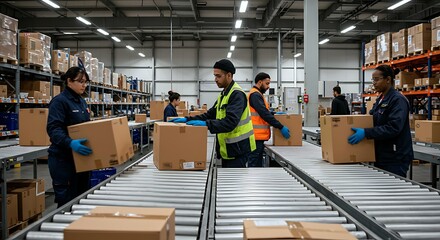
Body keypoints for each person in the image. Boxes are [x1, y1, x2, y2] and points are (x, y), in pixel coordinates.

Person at [170, 59, 256, 168]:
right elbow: (210, 114)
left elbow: (230, 122)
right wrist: (188, 119)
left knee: (233, 182)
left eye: (218, 76)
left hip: (238, 151)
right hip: (229, 150)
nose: (215, 79)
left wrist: (207, 124)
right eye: (215, 76)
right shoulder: (224, 94)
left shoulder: (237, 95)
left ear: (229, 75)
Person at [348, 65, 413, 177]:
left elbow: (393, 128)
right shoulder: (381, 99)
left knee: (392, 190)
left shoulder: (398, 100)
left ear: (388, 80)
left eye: (377, 79)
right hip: (382, 154)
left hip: (394, 157)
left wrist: (366, 133)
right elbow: (372, 118)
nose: (374, 83)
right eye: (373, 80)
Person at [47, 66, 93, 207]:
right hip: (63, 160)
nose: (84, 85)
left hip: (80, 159)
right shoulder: (59, 101)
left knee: (82, 199)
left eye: (85, 82)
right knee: (66, 202)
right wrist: (70, 143)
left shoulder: (81, 101)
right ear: (69, 81)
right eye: (80, 81)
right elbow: (53, 129)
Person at [248, 72, 290, 167]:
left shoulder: (258, 94)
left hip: (257, 137)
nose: (268, 86)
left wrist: (274, 114)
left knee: (257, 164)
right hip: (255, 136)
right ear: (259, 82)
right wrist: (280, 126)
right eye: (267, 83)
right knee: (253, 164)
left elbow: (262, 112)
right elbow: (264, 114)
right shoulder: (255, 95)